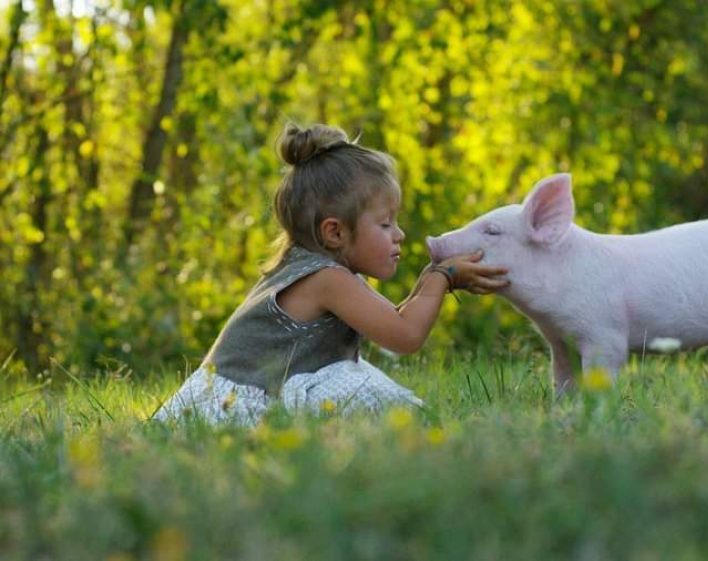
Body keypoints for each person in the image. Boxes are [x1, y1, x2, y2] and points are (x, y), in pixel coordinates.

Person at [153, 123, 508, 425]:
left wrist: (435, 277)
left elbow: (392, 319)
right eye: (385, 224)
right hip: (237, 407)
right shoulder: (326, 279)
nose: (398, 234)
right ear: (335, 233)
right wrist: (441, 277)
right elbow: (404, 336)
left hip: (261, 388)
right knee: (364, 393)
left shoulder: (317, 268)